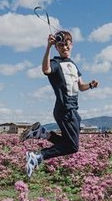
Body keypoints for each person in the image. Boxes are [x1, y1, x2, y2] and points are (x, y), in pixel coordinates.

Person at [20, 30, 99, 178]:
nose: (65, 48)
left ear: (72, 45)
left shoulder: (73, 65)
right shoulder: (55, 63)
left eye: (67, 46)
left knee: (67, 142)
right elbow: (45, 70)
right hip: (64, 109)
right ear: (57, 47)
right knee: (73, 146)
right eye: (61, 46)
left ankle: (41, 133)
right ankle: (37, 157)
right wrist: (48, 47)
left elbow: (80, 86)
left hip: (72, 110)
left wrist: (91, 85)